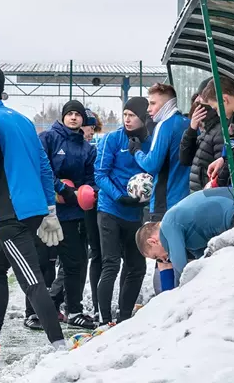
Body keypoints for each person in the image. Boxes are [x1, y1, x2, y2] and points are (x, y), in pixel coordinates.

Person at [0, 66, 66, 360]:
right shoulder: (22, 119)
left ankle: (60, 348)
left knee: (31, 281)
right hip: (31, 211)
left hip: (12, 213)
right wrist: (49, 209)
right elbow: (44, 166)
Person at [25, 99, 98, 330]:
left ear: (82, 119)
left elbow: (90, 180)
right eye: (70, 113)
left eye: (78, 114)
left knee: (74, 263)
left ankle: (74, 311)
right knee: (41, 264)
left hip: (72, 214)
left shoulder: (87, 149)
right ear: (63, 116)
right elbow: (39, 168)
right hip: (44, 211)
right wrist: (59, 190)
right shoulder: (48, 138)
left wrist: (86, 193)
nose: (74, 117)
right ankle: (34, 313)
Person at [135, 188, 234, 291]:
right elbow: (204, 264)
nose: (163, 260)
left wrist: (174, 297)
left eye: (157, 257)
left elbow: (182, 268)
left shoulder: (168, 224)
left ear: (153, 241)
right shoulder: (187, 236)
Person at [95, 97, 152, 325]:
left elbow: (154, 170)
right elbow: (100, 174)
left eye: (133, 115)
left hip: (135, 213)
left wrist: (144, 199)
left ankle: (124, 317)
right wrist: (119, 196)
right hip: (110, 209)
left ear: (144, 118)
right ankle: (104, 319)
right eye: (125, 114)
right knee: (111, 263)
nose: (127, 119)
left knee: (137, 266)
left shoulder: (151, 142)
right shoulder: (112, 139)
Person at [129, 83, 191, 222]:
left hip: (165, 202)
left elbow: (151, 165)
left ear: (167, 104)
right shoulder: (188, 123)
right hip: (188, 199)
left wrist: (136, 151)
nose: (148, 109)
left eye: (153, 103)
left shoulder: (164, 125)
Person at [179, 92, 224, 192]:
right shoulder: (205, 133)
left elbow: (221, 170)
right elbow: (185, 159)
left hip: (208, 193)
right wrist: (191, 130)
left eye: (201, 102)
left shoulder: (218, 131)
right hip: (201, 191)